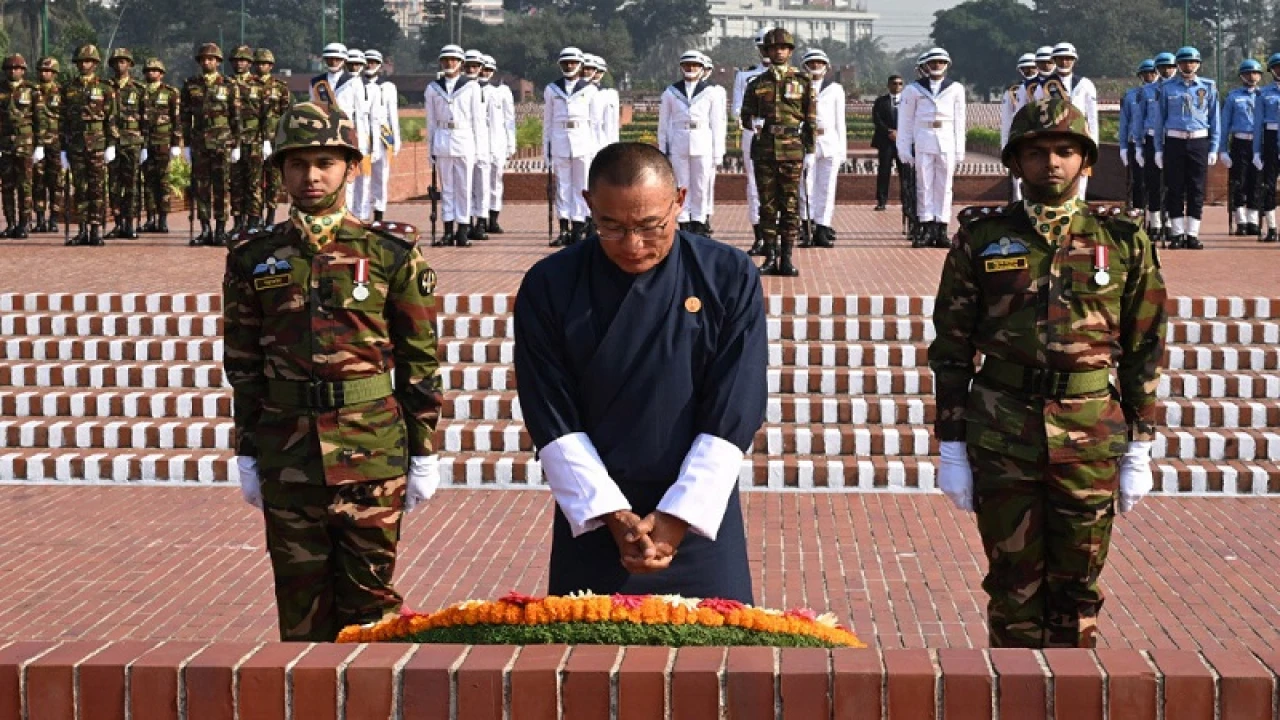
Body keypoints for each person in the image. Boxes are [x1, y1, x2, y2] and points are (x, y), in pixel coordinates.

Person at [929, 97, 1168, 648]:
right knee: (1012, 588)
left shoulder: (1123, 238)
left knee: (1077, 589)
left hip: (1090, 434)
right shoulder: (982, 238)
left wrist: (1141, 447)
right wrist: (952, 447)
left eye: (1066, 151)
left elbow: (1143, 346)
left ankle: (1072, 694)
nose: (1051, 163)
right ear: (1014, 163)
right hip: (1003, 432)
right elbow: (952, 348)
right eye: (1036, 153)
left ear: (1086, 162)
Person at [223, 101, 443, 641]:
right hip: (288, 452)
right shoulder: (255, 256)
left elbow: (419, 360)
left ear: (351, 166)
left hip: (371, 451)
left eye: (325, 161)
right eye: (297, 163)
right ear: (280, 171)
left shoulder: (390, 251)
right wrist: (248, 450)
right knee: (300, 605)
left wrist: (424, 453)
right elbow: (244, 365)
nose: (311, 176)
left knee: (371, 607)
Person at [513, 141, 765, 603]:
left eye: (652, 226)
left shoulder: (727, 274)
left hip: (698, 514)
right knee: (586, 665)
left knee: (720, 662)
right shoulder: (550, 283)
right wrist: (612, 514)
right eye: (610, 226)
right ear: (587, 204)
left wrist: (678, 516)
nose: (632, 245)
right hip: (594, 516)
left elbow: (737, 400)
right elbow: (549, 408)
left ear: (680, 201)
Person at [740, 28, 815, 276]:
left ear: (790, 52)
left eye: (783, 48)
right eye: (773, 48)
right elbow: (745, 116)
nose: (778, 52)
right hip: (764, 151)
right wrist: (755, 123)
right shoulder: (757, 83)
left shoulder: (803, 82)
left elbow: (811, 119)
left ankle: (787, 257)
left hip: (792, 150)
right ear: (767, 52)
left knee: (791, 206)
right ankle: (770, 257)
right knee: (768, 207)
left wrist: (810, 150)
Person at [897, 46, 965, 249]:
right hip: (923, 137)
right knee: (924, 184)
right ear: (925, 65)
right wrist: (903, 148)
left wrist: (960, 149)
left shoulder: (955, 88)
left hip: (946, 139)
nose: (937, 65)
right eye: (933, 62)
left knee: (945, 186)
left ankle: (942, 228)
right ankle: (926, 227)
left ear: (947, 65)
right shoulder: (913, 89)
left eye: (941, 62)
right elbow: (905, 121)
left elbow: (960, 121)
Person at [1153, 46, 1219, 250]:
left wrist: (1214, 147)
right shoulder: (1167, 88)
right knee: (1175, 187)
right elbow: (1159, 120)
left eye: (1192, 62)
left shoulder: (1208, 87)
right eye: (1183, 62)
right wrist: (1158, 148)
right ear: (1177, 65)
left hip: (1199, 140)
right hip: (1175, 140)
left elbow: (1215, 118)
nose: (1188, 65)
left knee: (1196, 188)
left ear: (1198, 64)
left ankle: (1192, 233)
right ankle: (1177, 233)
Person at [659, 50, 725, 237]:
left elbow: (717, 124)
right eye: (687, 65)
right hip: (679, 139)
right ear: (681, 67)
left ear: (702, 68)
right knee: (681, 184)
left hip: (702, 139)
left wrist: (717, 151)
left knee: (701, 183)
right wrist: (663, 147)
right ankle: (684, 221)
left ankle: (699, 219)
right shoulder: (671, 92)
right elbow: (663, 123)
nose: (691, 68)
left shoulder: (710, 92)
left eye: (695, 65)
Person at [182, 42, 241, 246]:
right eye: (204, 59)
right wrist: (186, 144)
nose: (207, 62)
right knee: (201, 187)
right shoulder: (191, 85)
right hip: (199, 142)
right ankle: (205, 228)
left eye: (211, 59)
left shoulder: (228, 84)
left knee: (222, 186)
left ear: (217, 62)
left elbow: (236, 117)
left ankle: (221, 229)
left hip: (222, 142)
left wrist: (237, 144)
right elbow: (184, 116)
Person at [425, 44, 483, 247]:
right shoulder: (433, 88)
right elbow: (430, 121)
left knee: (464, 188)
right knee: (447, 188)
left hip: (464, 138)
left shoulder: (471, 87)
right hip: (442, 139)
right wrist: (430, 148)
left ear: (460, 63)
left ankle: (463, 230)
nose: (449, 63)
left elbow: (478, 121)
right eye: (445, 60)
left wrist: (479, 149)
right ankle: (448, 230)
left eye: (453, 60)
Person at [60, 44, 118, 247]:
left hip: (97, 142)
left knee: (97, 188)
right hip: (76, 144)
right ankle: (82, 229)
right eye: (81, 61)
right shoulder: (68, 88)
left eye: (88, 61)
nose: (85, 65)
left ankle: (95, 230)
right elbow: (63, 119)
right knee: (80, 188)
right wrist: (61, 147)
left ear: (95, 64)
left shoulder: (105, 88)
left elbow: (111, 118)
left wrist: (111, 144)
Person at [543, 46, 597, 247]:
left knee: (581, 186)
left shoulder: (590, 90)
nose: (569, 66)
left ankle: (578, 226)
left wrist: (595, 149)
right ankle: (564, 228)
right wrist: (546, 148)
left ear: (580, 65)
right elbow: (547, 123)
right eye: (566, 63)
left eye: (573, 62)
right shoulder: (552, 89)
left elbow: (595, 123)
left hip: (583, 140)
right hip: (559, 139)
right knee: (562, 187)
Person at [1035, 43, 1096, 200]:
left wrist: (1094, 143)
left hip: (1081, 135)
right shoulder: (1044, 85)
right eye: (1060, 59)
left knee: (1081, 178)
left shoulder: (1085, 84)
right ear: (1054, 60)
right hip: (1055, 137)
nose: (1064, 62)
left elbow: (1092, 116)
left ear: (1074, 61)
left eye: (1068, 59)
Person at [799, 48, 844, 248]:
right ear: (805, 65)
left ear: (827, 66)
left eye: (820, 62)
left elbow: (840, 121)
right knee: (805, 187)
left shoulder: (835, 88)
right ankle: (806, 227)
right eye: (812, 62)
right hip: (806, 141)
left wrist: (842, 150)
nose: (816, 65)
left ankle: (823, 228)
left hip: (829, 140)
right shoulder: (798, 86)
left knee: (827, 187)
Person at [733, 29, 772, 255]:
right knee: (755, 184)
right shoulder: (744, 77)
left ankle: (777, 237)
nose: (766, 52)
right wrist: (754, 121)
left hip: (781, 135)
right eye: (762, 47)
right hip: (753, 133)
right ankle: (760, 236)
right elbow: (736, 109)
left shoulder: (793, 76)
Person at [1133, 52, 1176, 242]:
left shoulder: (1177, 89)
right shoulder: (1146, 91)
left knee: (1173, 182)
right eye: (1162, 67)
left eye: (1170, 66)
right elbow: (1138, 119)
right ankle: (1156, 222)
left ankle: (1172, 222)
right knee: (1153, 183)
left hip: (1172, 139)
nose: (1166, 70)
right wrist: (1138, 146)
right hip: (1151, 139)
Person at [0, 54, 43, 239]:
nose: (13, 71)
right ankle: (10, 223)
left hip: (25, 142)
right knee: (7, 186)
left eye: (16, 68)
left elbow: (39, 120)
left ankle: (24, 223)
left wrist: (39, 145)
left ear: (23, 71)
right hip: (5, 143)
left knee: (25, 185)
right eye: (9, 68)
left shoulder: (32, 91)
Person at [103, 48, 144, 240]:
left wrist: (146, 145)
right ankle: (118, 222)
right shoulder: (105, 87)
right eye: (117, 62)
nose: (120, 65)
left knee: (132, 185)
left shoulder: (138, 89)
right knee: (113, 185)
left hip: (132, 142)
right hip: (112, 142)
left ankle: (130, 223)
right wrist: (109, 142)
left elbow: (147, 119)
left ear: (129, 65)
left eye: (123, 62)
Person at [138, 57, 182, 234]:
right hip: (145, 142)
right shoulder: (140, 92)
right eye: (148, 71)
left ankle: (163, 219)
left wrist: (176, 143)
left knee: (163, 181)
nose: (151, 73)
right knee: (148, 181)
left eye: (155, 71)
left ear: (161, 74)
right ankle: (150, 218)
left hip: (163, 141)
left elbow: (176, 118)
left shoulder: (171, 93)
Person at [228, 45, 269, 234]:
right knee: (235, 182)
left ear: (250, 63)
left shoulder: (259, 85)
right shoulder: (225, 84)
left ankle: (253, 221)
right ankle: (238, 221)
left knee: (254, 183)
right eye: (236, 60)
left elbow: (266, 115)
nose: (240, 63)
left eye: (243, 60)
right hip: (231, 140)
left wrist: (267, 140)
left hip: (254, 139)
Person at [360, 49, 401, 224]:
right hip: (364, 133)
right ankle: (362, 213)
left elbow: (393, 114)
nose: (370, 65)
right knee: (363, 177)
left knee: (381, 176)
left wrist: (397, 138)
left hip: (382, 135)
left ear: (379, 65)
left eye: (374, 62)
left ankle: (379, 213)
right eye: (367, 62)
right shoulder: (357, 85)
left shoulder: (388, 86)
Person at [1223, 59, 1263, 237]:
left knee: (1256, 181)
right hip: (1240, 142)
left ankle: (1253, 219)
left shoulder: (1264, 95)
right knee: (1238, 181)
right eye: (1248, 73)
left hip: (1259, 143)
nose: (1252, 76)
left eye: (1255, 73)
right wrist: (1222, 149)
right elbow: (1224, 124)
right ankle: (1241, 219)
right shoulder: (1233, 97)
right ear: (1241, 76)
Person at [255, 49, 292, 228]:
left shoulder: (280, 87)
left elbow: (286, 115)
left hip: (274, 139)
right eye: (259, 64)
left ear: (271, 66)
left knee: (273, 180)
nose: (262, 67)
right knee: (254, 180)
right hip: (253, 138)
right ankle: (256, 217)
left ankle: (270, 216)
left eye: (265, 64)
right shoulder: (249, 85)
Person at [479, 54, 514, 234]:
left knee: (495, 182)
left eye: (489, 70)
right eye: (483, 68)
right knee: (479, 184)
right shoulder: (471, 90)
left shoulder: (501, 92)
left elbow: (509, 119)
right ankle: (480, 219)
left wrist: (510, 144)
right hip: (479, 144)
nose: (485, 72)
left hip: (497, 142)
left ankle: (493, 218)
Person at [462, 49, 492, 240]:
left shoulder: (493, 91)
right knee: (466, 186)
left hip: (485, 143)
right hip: (465, 143)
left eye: (476, 66)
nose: (473, 69)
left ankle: (481, 221)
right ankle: (468, 221)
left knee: (482, 185)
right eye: (469, 66)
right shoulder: (462, 89)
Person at [1118, 60, 1155, 212]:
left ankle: (1157, 214)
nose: (1149, 76)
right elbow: (1124, 121)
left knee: (1155, 181)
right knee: (1138, 180)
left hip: (1154, 141)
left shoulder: (1161, 93)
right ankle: (1138, 210)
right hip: (1135, 142)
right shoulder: (1131, 95)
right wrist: (1123, 146)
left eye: (1152, 72)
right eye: (1145, 73)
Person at [1000, 54, 1038, 202]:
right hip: (1020, 137)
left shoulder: (1048, 87)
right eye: (1025, 69)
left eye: (1032, 67)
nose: (1029, 71)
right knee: (1018, 179)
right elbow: (1007, 120)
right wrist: (1005, 146)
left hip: (1039, 135)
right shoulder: (1013, 91)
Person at [32, 57, 62, 234]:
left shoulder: (62, 93)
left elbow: (67, 118)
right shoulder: (31, 91)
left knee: (56, 182)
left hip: (55, 143)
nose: (45, 74)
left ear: (55, 73)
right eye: (42, 71)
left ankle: (54, 219)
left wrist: (65, 146)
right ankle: (41, 219)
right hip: (35, 143)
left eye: (48, 71)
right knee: (38, 182)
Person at [1253, 53, 1280, 243]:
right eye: (1277, 67)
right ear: (1271, 70)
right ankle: (1272, 228)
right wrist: (1256, 150)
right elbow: (1257, 125)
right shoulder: (1264, 93)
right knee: (1269, 186)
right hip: (1271, 139)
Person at [871, 75, 903, 212]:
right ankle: (881, 201)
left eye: (900, 84)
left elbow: (912, 119)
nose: (897, 86)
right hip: (886, 141)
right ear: (889, 85)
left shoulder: (908, 101)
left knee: (905, 173)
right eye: (894, 83)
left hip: (903, 142)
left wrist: (900, 133)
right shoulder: (880, 101)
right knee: (884, 172)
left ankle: (907, 201)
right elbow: (877, 119)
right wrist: (890, 131)